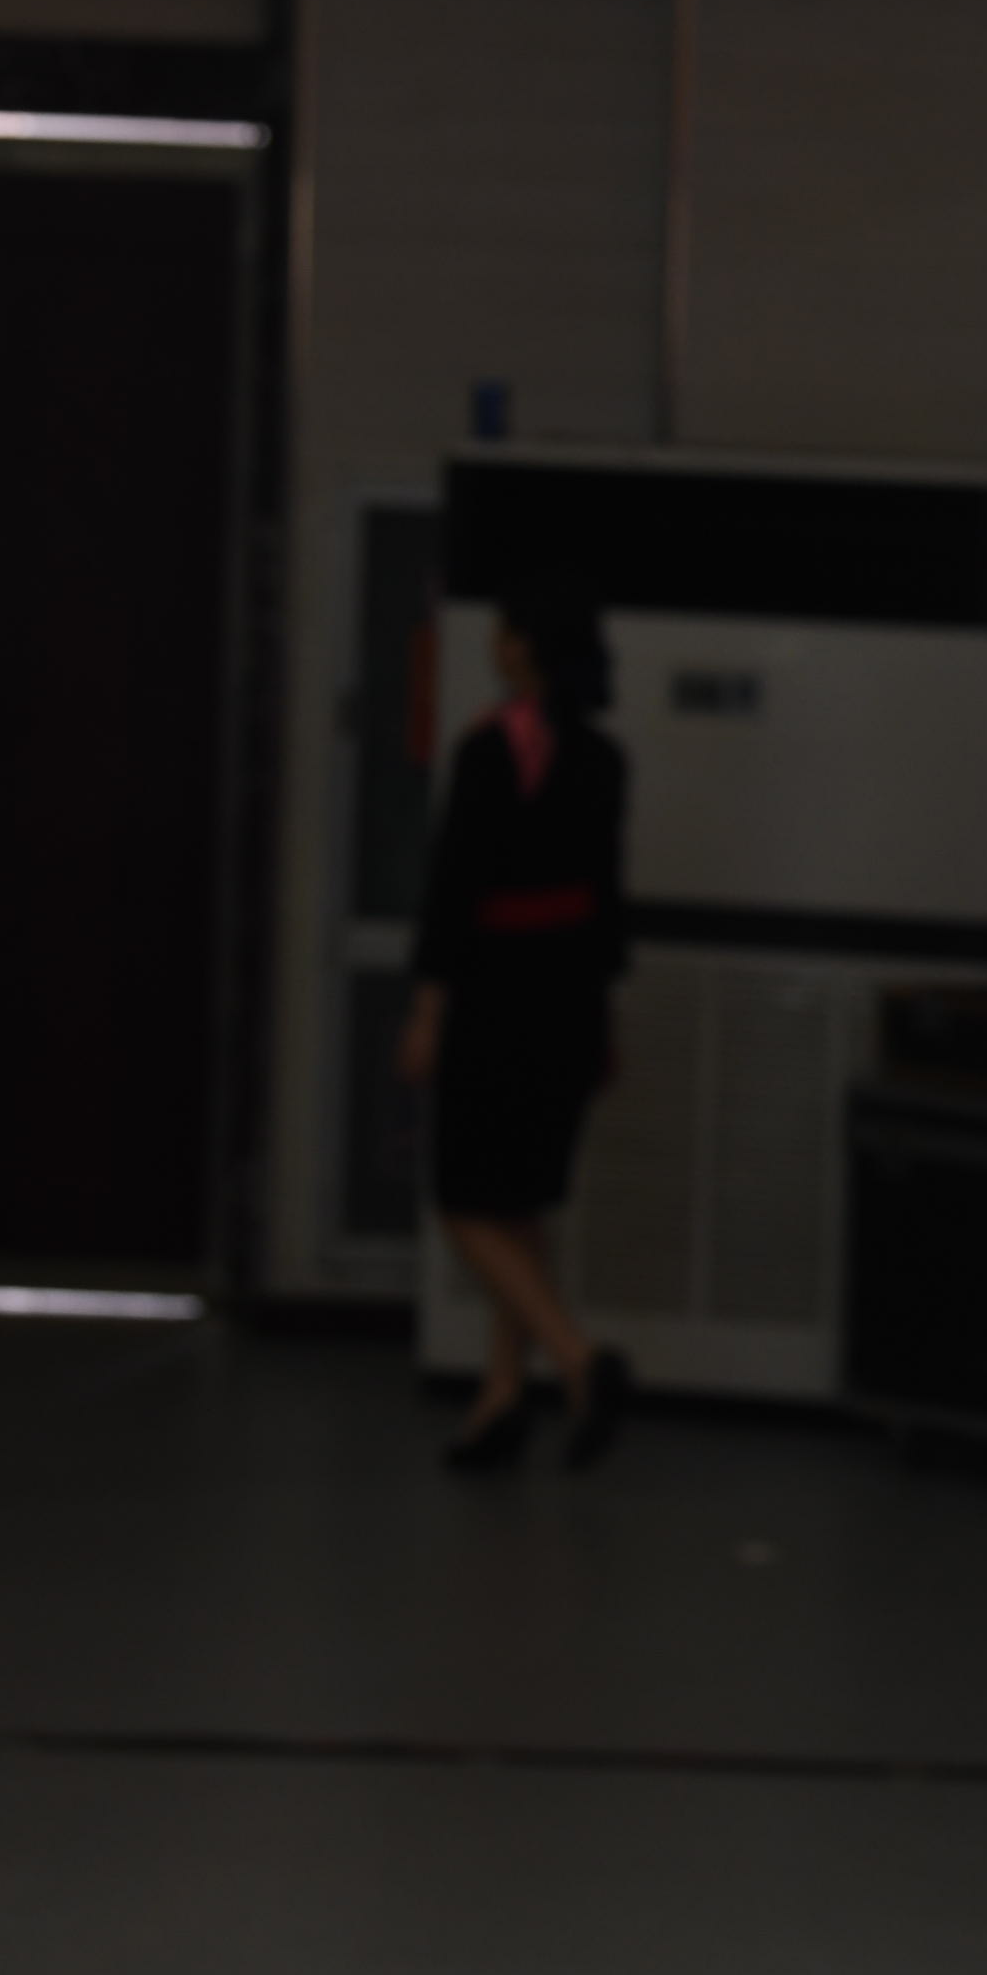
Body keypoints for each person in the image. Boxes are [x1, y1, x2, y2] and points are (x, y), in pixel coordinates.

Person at [400, 585, 634, 1473]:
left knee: (465, 1200)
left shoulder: (487, 751)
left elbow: (452, 891)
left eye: (505, 632)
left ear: (524, 648)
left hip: (494, 995)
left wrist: (428, 1010)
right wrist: (603, 1018)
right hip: (568, 1000)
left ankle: (578, 1361)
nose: (495, 644)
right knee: (519, 1201)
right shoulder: (604, 759)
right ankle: (502, 1395)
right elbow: (608, 905)